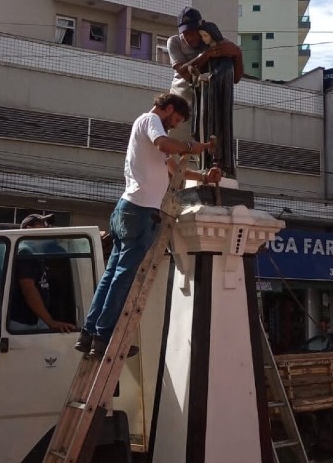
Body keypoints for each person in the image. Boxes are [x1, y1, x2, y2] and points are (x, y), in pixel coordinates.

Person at [74, 93, 222, 358]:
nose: (173, 125)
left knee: (112, 276)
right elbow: (165, 144)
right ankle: (103, 337)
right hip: (139, 211)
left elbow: (173, 168)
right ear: (166, 108)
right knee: (122, 278)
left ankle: (89, 336)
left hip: (128, 209)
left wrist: (202, 176)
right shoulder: (151, 120)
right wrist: (191, 146)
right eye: (174, 119)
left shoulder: (148, 129)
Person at [167, 8, 242, 174]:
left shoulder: (214, 41)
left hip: (204, 110)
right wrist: (206, 55)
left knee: (208, 154)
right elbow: (185, 73)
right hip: (179, 108)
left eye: (194, 32)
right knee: (169, 156)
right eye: (185, 33)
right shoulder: (174, 42)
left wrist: (237, 54)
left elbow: (235, 78)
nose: (190, 37)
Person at [8, 213, 75, 333]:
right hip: (22, 323)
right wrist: (51, 322)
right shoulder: (25, 252)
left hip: (35, 320)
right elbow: (28, 289)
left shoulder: (36, 253)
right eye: (42, 224)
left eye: (47, 225)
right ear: (29, 229)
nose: (47, 228)